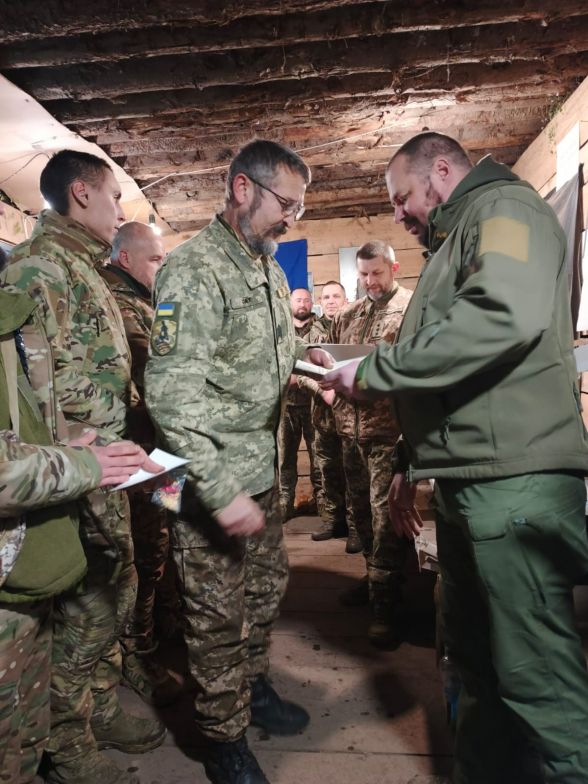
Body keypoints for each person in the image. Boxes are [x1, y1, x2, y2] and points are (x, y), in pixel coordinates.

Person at [321, 131, 588, 783]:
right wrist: (409, 461)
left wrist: (375, 370)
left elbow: (502, 317)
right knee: (473, 661)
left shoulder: (506, 211)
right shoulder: (456, 238)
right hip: (472, 478)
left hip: (513, 482)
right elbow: (453, 374)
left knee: (535, 675)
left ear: (441, 170)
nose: (397, 214)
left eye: (401, 197)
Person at [145, 139, 328, 784]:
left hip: (260, 472)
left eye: (300, 208)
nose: (291, 219)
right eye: (287, 204)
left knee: (265, 587)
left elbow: (258, 349)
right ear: (242, 188)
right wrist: (220, 491)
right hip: (208, 481)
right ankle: (223, 738)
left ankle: (251, 688)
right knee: (215, 614)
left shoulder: (266, 265)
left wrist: (309, 362)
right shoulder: (193, 270)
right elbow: (170, 397)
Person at [4, 150, 166, 784]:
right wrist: (93, 442)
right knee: (87, 598)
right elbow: (32, 389)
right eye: (114, 196)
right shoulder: (38, 268)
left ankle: (95, 707)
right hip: (72, 464)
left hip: (104, 458)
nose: (120, 209)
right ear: (81, 193)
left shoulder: (80, 265)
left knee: (110, 587)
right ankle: (66, 739)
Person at [101, 221, 183, 707]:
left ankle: (165, 622)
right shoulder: (119, 302)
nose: (162, 266)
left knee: (166, 535)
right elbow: (163, 362)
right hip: (141, 454)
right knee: (147, 550)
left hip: (165, 451)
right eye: (155, 259)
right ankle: (138, 647)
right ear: (126, 259)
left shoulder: (149, 300)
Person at [327, 242, 412, 648]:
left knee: (384, 521)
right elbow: (325, 360)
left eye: (376, 273)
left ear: (394, 267)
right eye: (363, 275)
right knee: (360, 515)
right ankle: (373, 579)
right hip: (350, 431)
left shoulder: (411, 309)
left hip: (388, 434)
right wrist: (325, 384)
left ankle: (385, 606)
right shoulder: (349, 314)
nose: (369, 282)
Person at [296, 281, 356, 547]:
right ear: (321, 302)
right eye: (327, 297)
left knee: (353, 472)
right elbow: (301, 372)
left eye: (336, 296)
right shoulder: (312, 333)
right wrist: (322, 391)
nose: (331, 301)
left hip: (351, 415)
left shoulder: (354, 327)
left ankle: (356, 527)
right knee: (327, 470)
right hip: (323, 415)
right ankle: (333, 521)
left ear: (345, 299)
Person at [278, 287, 321, 518]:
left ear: (312, 303)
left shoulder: (321, 329)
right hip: (287, 405)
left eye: (306, 300)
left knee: (318, 459)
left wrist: (299, 378)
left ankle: (323, 505)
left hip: (315, 404)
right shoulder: (280, 329)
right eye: (298, 300)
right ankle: (285, 503)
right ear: (289, 303)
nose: (302, 304)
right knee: (285, 458)